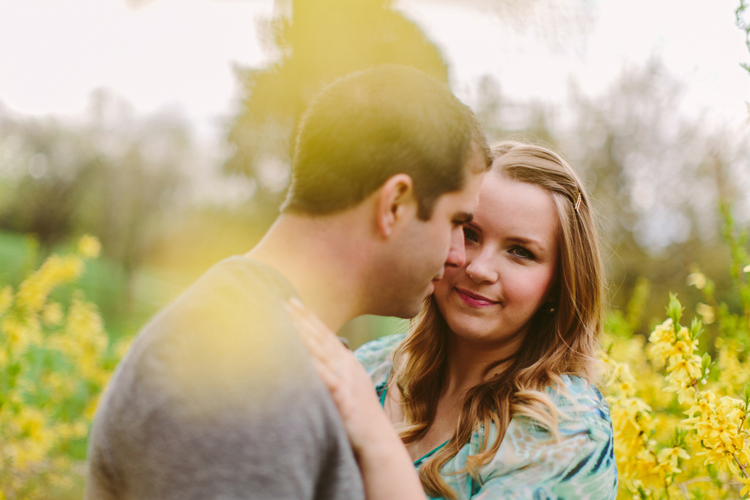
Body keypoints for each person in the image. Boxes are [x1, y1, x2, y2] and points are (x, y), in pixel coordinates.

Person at [85, 64, 491, 500]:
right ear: (394, 204)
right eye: (456, 223)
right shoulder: (240, 379)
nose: (457, 256)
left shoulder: (277, 342)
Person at [292, 140, 618, 500]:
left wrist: (375, 441)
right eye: (469, 233)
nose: (478, 269)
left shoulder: (566, 429)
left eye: (520, 252)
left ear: (560, 283)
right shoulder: (369, 368)